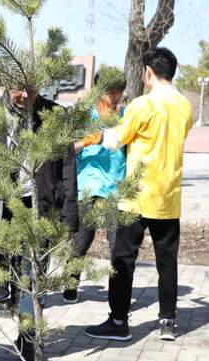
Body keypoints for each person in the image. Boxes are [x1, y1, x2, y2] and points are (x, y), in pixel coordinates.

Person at [0, 86, 78, 361]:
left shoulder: (55, 116)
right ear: (7, 84)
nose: (23, 96)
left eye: (30, 90)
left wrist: (68, 217)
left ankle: (27, 347)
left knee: (30, 280)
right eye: (18, 89)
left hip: (36, 210)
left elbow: (68, 171)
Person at [85, 47, 193, 343]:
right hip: (168, 197)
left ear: (148, 71)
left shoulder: (142, 105)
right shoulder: (185, 106)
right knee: (167, 263)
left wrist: (100, 133)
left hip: (135, 196)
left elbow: (114, 140)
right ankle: (168, 322)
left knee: (122, 260)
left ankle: (119, 321)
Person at [63, 69, 127, 304]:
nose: (116, 96)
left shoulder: (126, 114)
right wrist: (87, 140)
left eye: (119, 92)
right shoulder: (83, 115)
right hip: (88, 186)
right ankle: (70, 284)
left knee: (118, 244)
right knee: (82, 240)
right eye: (111, 92)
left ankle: (118, 295)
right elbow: (67, 148)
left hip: (116, 187)